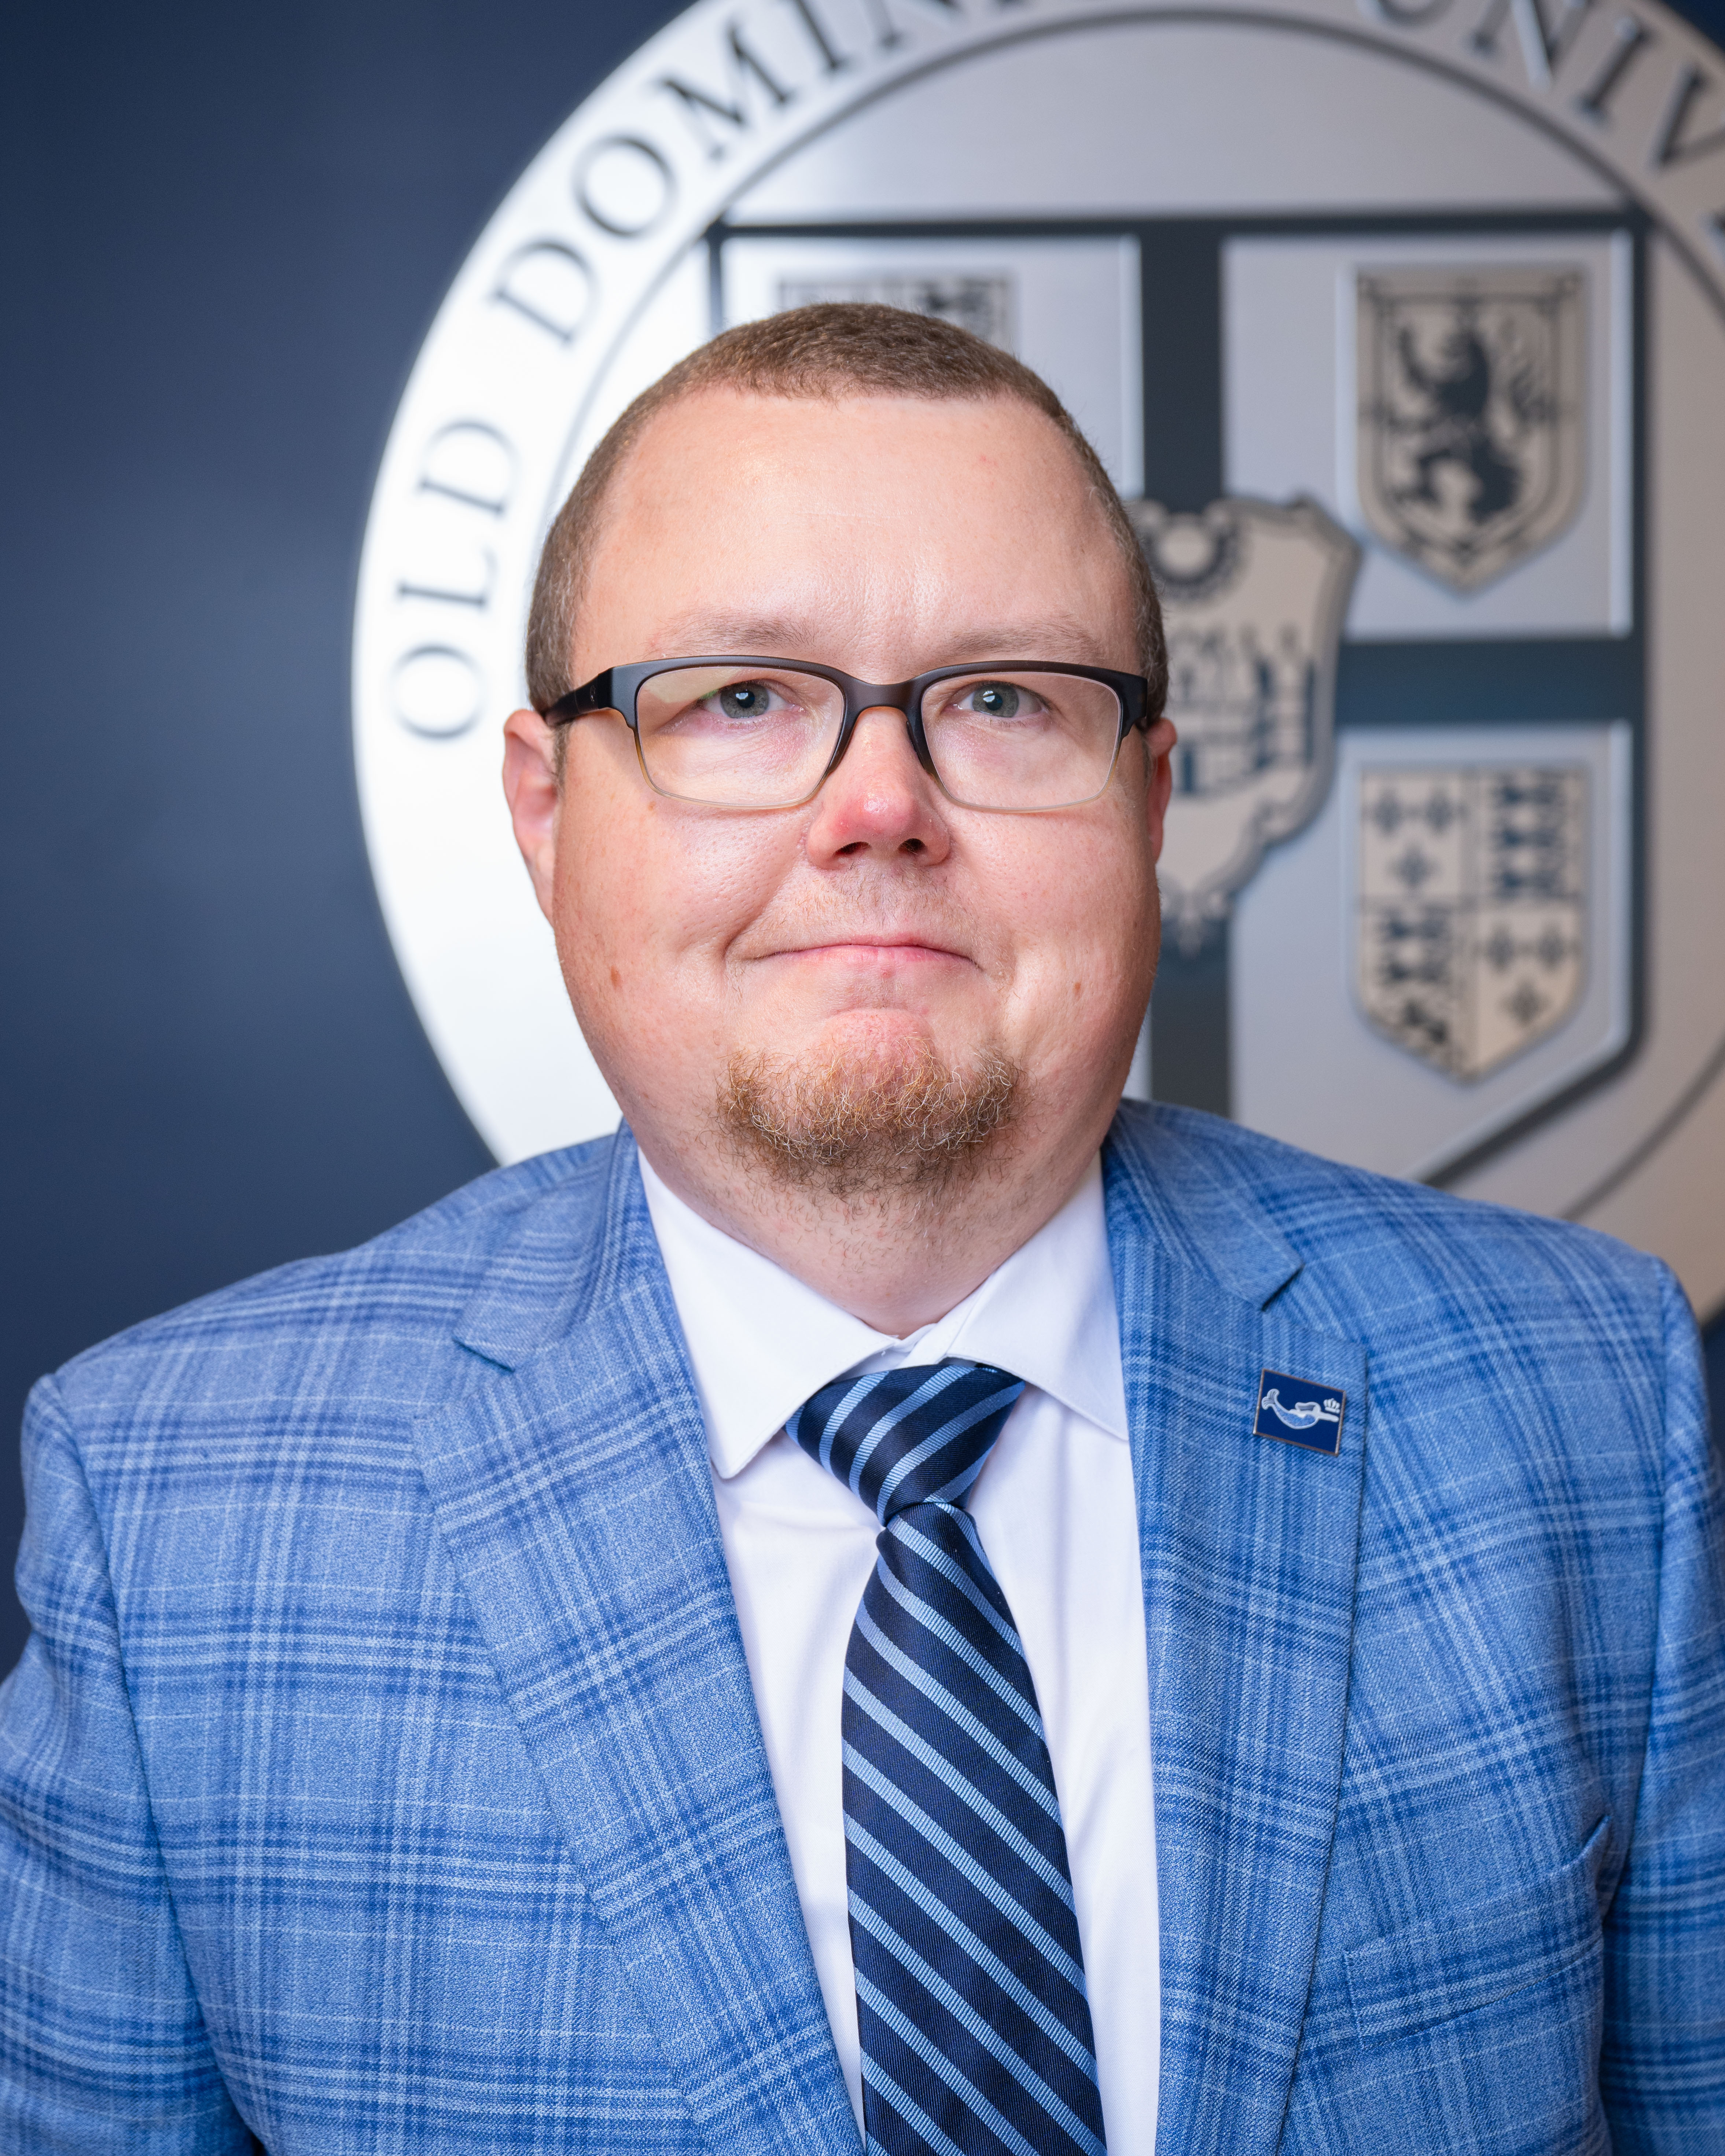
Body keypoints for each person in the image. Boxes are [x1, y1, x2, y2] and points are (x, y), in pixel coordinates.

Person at [0, 305, 1719, 2156]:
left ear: (1148, 799)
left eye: (1002, 699)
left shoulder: (1588, 1402)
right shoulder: (178, 1512)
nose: (879, 809)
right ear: (546, 810)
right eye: (741, 696)